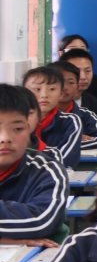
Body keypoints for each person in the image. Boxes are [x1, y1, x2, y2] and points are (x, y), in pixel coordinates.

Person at [0, 83, 67, 245]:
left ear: (29, 129)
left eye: (17, 129)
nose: (5, 138)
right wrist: (6, 240)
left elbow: (40, 221)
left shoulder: (47, 170)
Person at [23, 66, 82, 169]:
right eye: (37, 89)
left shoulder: (71, 122)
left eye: (52, 89)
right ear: (24, 93)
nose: (44, 95)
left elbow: (66, 161)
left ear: (61, 93)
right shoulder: (15, 122)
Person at [48, 61, 97, 149]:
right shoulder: (39, 115)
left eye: (71, 83)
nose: (65, 87)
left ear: (78, 86)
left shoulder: (87, 115)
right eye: (60, 82)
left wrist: (56, 142)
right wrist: (75, 138)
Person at [57, 34, 97, 117]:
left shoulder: (93, 102)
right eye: (77, 71)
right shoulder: (50, 99)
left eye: (88, 71)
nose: (83, 77)